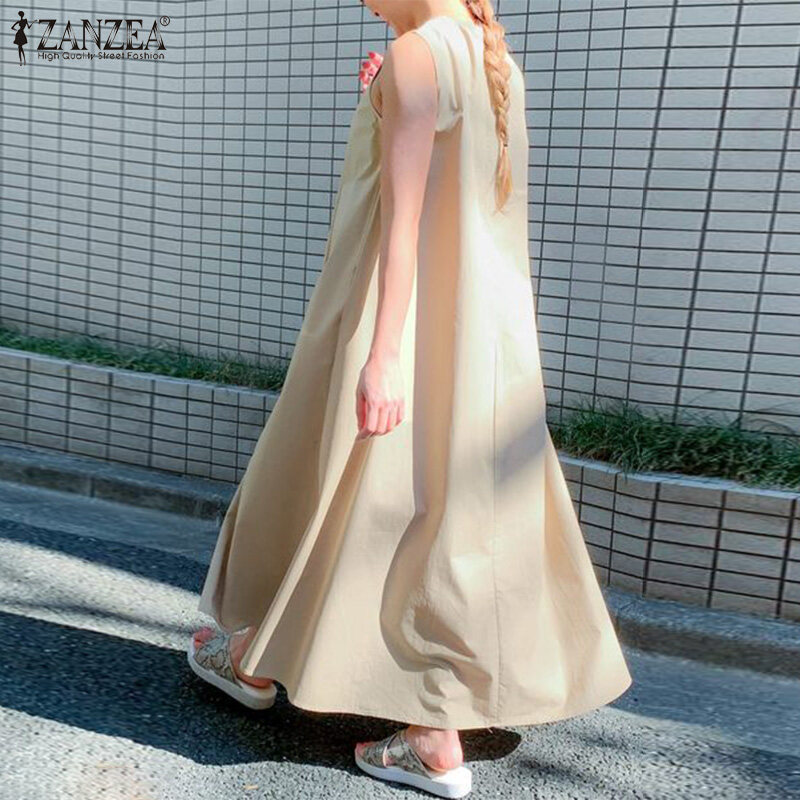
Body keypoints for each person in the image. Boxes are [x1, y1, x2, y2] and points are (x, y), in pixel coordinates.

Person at [187, 1, 633, 796]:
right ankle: (353, 690)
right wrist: (388, 93)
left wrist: (382, 354)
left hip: (398, 317)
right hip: (479, 329)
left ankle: (294, 677)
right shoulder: (487, 56)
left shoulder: (420, 55)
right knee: (448, 508)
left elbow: (403, 219)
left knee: (338, 476)